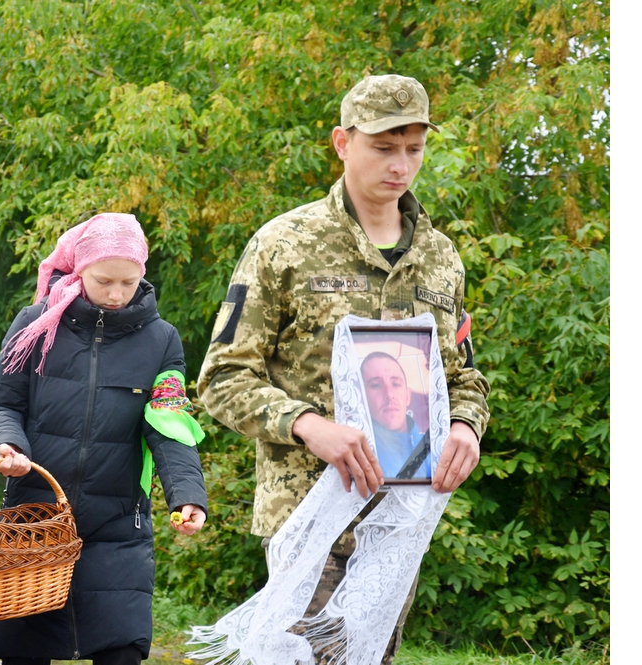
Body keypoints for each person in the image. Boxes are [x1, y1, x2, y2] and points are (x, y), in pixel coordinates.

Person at [196, 74, 490, 663]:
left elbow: (464, 376)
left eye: (414, 148)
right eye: (383, 146)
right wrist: (308, 424)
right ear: (342, 142)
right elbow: (222, 378)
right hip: (309, 517)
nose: (401, 165)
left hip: (398, 526)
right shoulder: (284, 244)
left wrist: (465, 427)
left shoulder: (440, 258)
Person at [0, 213, 209, 665]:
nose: (116, 294)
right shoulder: (34, 324)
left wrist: (188, 496)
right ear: (79, 269)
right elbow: (2, 405)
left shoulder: (163, 341)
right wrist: (10, 445)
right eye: (104, 280)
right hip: (34, 516)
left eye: (129, 282)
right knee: (24, 652)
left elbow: (171, 427)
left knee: (122, 649)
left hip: (119, 526)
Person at [360, 352, 430, 479]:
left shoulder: (433, 447)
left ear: (407, 396)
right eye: (376, 385)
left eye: (396, 384)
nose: (389, 395)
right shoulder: (357, 451)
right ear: (362, 398)